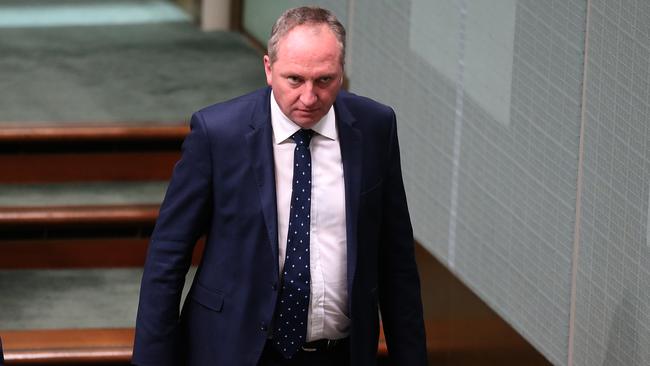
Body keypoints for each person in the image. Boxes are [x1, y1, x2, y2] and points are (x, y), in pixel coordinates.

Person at [132, 6, 426, 366]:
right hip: (236, 351)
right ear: (269, 69)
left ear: (341, 72)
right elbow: (168, 255)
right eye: (295, 80)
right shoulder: (218, 133)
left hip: (340, 353)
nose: (308, 97)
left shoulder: (375, 127)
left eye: (324, 81)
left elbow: (396, 260)